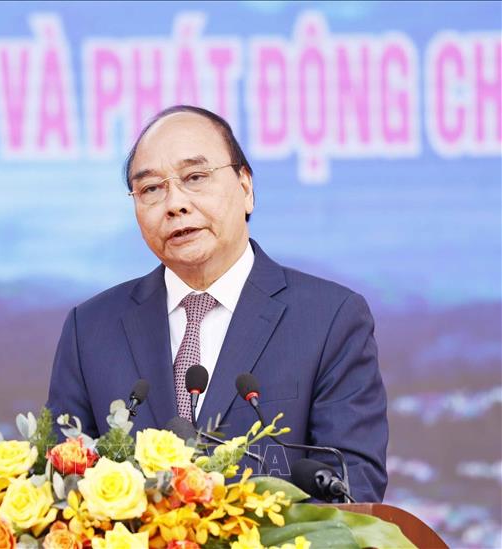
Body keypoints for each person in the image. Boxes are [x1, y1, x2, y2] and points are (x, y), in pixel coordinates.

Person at [47, 105, 388, 502]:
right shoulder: (89, 330)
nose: (174, 204)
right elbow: (61, 490)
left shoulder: (330, 319)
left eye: (195, 177)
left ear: (246, 187)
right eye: (151, 189)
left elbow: (349, 494)